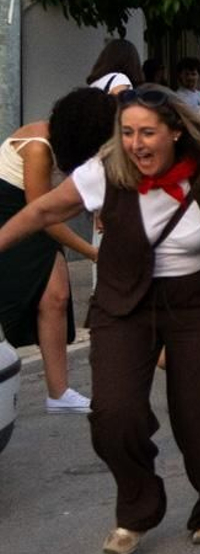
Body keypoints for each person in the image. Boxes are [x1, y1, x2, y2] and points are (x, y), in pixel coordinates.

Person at [0, 85, 200, 554]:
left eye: (147, 133)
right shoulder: (104, 172)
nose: (136, 144)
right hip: (123, 300)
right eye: (127, 132)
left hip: (199, 301)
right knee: (114, 413)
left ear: (175, 132)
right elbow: (43, 209)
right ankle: (138, 507)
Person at [0, 88, 116, 412]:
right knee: (50, 297)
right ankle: (57, 391)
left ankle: (58, 392)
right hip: (13, 216)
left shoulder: (59, 141)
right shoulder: (39, 147)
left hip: (28, 214)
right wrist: (92, 253)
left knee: (56, 298)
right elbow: (43, 215)